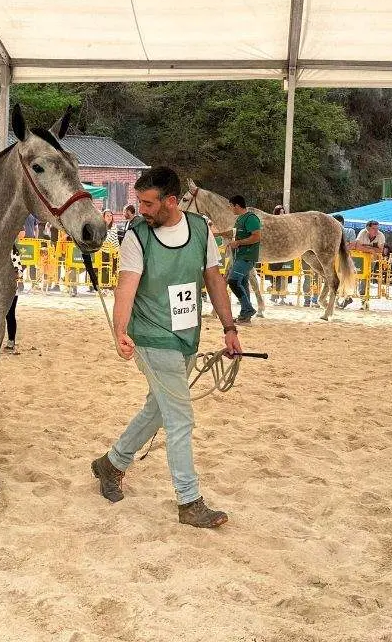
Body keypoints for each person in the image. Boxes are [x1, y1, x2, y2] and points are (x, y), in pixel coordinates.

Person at [91, 166, 241, 528]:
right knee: (179, 418)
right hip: (151, 338)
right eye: (138, 201)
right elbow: (125, 288)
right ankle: (189, 502)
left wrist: (229, 327)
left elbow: (214, 280)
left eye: (147, 202)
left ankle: (111, 464)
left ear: (171, 202)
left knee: (158, 409)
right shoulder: (136, 237)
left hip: (186, 337)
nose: (140, 209)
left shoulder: (201, 229)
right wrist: (120, 331)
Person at [226, 194, 261, 324]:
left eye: (231, 206)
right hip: (240, 256)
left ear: (237, 205)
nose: (230, 209)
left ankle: (248, 309)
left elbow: (256, 237)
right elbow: (234, 233)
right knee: (243, 284)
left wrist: (239, 243)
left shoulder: (251, 218)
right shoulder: (240, 219)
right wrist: (218, 234)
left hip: (247, 256)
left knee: (233, 281)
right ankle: (245, 316)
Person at [5, 245, 24, 354]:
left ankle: (11, 341)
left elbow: (19, 272)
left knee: (10, 315)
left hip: (10, 290)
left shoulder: (13, 252)